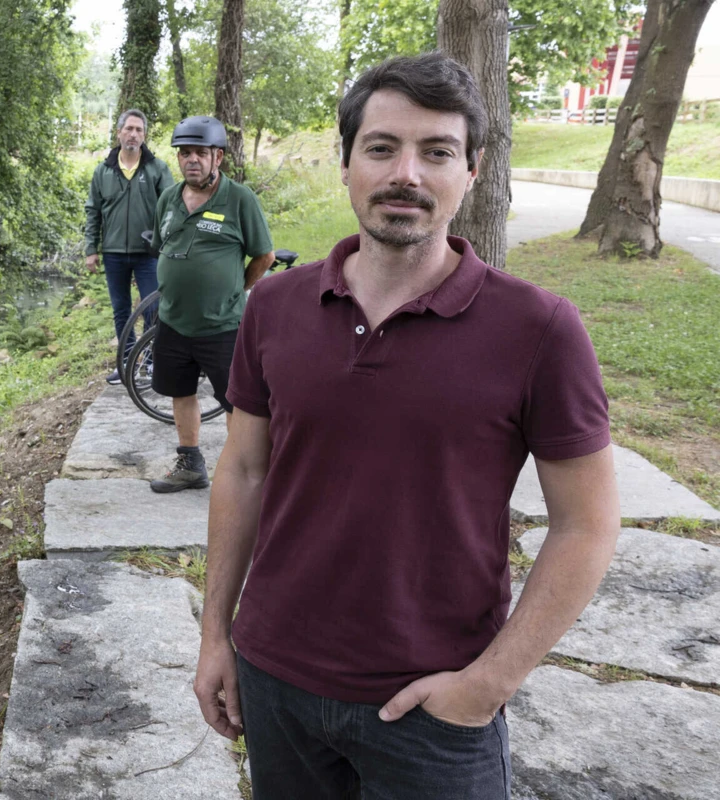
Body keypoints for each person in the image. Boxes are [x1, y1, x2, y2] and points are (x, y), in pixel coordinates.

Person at [193, 53, 621, 798]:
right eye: (382, 147)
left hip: (434, 708)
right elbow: (244, 469)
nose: (406, 175)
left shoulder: (540, 330)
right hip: (275, 680)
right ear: (347, 163)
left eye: (437, 152)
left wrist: (487, 685)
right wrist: (215, 636)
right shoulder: (274, 308)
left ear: (473, 172)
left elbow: (586, 524)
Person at [148, 115, 274, 494]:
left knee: (237, 402)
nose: (192, 160)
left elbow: (264, 256)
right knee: (181, 391)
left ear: (217, 157)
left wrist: (237, 289)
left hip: (222, 326)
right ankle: (190, 465)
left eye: (200, 153)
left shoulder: (239, 199)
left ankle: (241, 476)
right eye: (185, 153)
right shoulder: (169, 199)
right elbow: (161, 246)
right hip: (172, 321)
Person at [84, 109, 175, 384]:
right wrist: (91, 249)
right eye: (129, 129)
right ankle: (127, 363)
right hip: (113, 253)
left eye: (139, 130)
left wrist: (167, 243)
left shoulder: (157, 169)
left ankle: (150, 361)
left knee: (152, 308)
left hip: (148, 252)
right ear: (119, 133)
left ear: (144, 136)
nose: (133, 134)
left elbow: (171, 208)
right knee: (121, 310)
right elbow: (93, 211)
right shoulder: (103, 171)